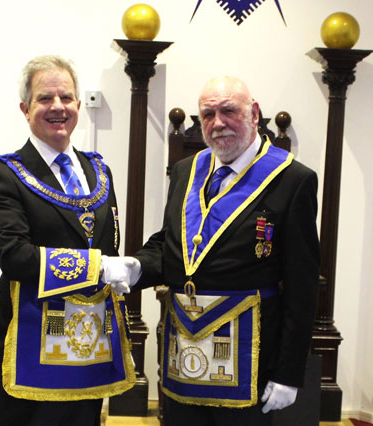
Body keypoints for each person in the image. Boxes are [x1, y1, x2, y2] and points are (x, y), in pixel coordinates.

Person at [131, 76, 320, 425]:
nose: (218, 123)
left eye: (228, 110)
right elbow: (173, 245)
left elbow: (302, 286)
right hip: (183, 351)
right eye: (207, 114)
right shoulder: (187, 170)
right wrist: (135, 267)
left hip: (251, 360)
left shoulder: (293, 179)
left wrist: (289, 372)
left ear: (254, 113)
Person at [0, 55, 136, 426]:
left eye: (66, 98)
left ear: (79, 105)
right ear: (25, 108)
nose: (57, 107)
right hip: (31, 343)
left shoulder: (100, 171)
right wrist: (99, 267)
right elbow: (15, 255)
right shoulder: (2, 175)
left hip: (88, 341)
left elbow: (107, 245)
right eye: (45, 98)